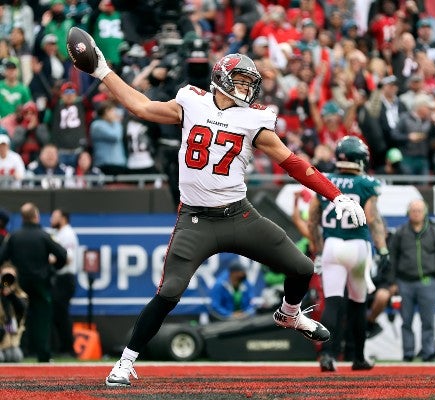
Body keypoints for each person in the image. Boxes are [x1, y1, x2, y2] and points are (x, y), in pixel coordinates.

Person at [77, 46, 366, 386]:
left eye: (249, 82)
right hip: (196, 220)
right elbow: (140, 105)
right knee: (169, 292)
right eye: (240, 80)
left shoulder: (253, 119)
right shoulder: (191, 101)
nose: (247, 88)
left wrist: (335, 194)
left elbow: (292, 162)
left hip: (239, 215)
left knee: (302, 267)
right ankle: (124, 364)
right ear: (220, 79)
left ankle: (288, 315)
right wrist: (103, 72)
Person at [308, 136, 388, 372]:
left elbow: (312, 220)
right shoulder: (367, 183)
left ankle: (327, 356)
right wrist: (382, 248)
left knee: (332, 303)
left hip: (332, 244)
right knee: (357, 304)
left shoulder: (325, 180)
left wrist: (319, 250)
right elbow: (373, 219)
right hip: (358, 247)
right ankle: (358, 357)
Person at [0, 202, 67, 362]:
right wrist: (53, 267)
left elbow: (1, 258)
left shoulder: (14, 236)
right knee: (42, 318)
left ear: (23, 217)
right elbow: (62, 255)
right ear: (36, 216)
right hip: (40, 283)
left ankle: (21, 350)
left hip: (19, 285)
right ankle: (43, 354)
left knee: (18, 317)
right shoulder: (43, 235)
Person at [386, 199, 435, 362]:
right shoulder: (400, 232)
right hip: (405, 282)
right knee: (406, 321)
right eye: (413, 210)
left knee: (428, 321)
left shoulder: (434, 232)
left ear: (425, 212)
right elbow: (393, 257)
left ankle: (428, 352)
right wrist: (393, 281)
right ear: (408, 212)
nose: (416, 213)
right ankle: (408, 353)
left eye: (419, 210)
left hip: (428, 281)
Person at [50, 208, 79, 357]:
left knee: (62, 315)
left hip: (65, 278)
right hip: (60, 278)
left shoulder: (67, 234)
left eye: (54, 216)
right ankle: (62, 348)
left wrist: (50, 259)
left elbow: (68, 257)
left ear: (63, 218)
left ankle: (68, 349)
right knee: (57, 314)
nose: (51, 219)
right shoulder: (59, 233)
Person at [0, 263, 28, 362]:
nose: (7, 280)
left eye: (10, 277)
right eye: (4, 276)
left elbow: (21, 311)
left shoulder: (20, 295)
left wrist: (10, 295)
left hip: (11, 340)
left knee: (16, 356)